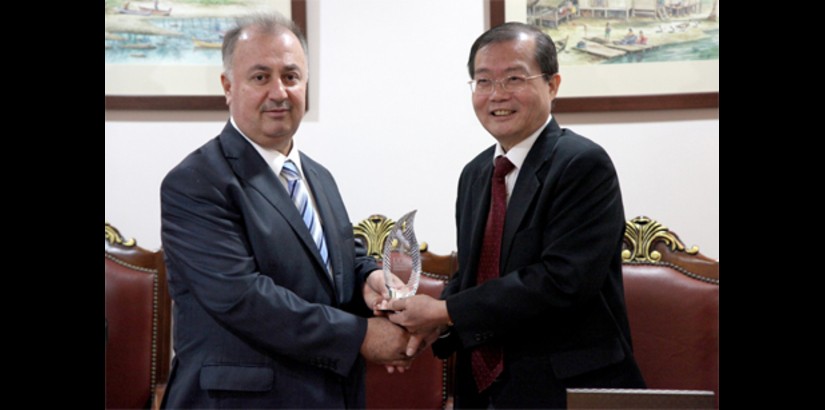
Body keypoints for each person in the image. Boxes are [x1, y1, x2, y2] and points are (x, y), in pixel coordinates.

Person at [387, 22, 646, 409]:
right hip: (484, 391)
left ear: (553, 85)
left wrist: (445, 310)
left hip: (567, 391)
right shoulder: (476, 174)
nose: (497, 95)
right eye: (483, 81)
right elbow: (473, 274)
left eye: (514, 78)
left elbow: (563, 282)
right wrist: (435, 326)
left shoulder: (582, 164)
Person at [159, 13, 410, 409]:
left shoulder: (319, 177)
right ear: (228, 86)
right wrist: (361, 336)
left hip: (330, 394)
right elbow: (243, 298)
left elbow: (339, 262)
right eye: (260, 77)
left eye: (291, 77)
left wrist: (369, 279)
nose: (279, 92)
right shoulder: (195, 182)